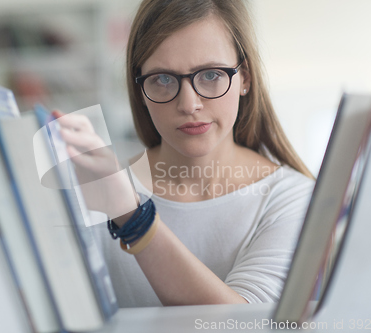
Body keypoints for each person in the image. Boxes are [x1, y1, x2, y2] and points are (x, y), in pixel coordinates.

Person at [54, 0, 315, 307]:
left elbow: (246, 324)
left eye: (210, 75)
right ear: (140, 90)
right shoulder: (94, 193)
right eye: (163, 79)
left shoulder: (292, 198)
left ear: (244, 77)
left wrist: (134, 219)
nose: (189, 104)